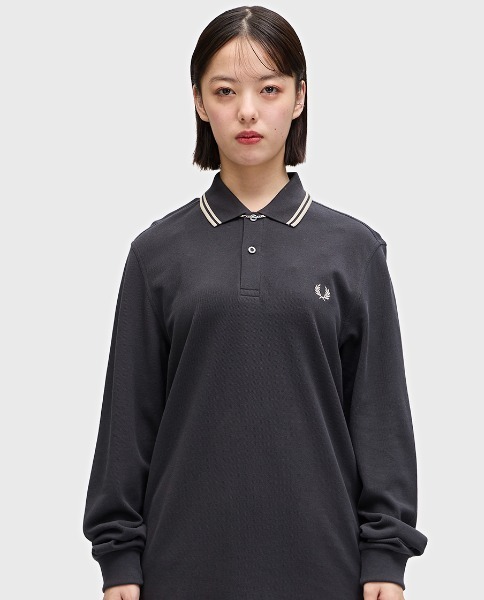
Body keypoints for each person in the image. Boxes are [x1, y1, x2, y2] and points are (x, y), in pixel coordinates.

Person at [82, 6, 428, 600]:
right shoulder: (155, 254)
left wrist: (385, 556)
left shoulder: (355, 250)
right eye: (225, 91)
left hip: (326, 568)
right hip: (179, 569)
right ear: (199, 101)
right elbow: (127, 418)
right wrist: (119, 560)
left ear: (298, 98)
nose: (247, 110)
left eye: (269, 89)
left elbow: (380, 415)